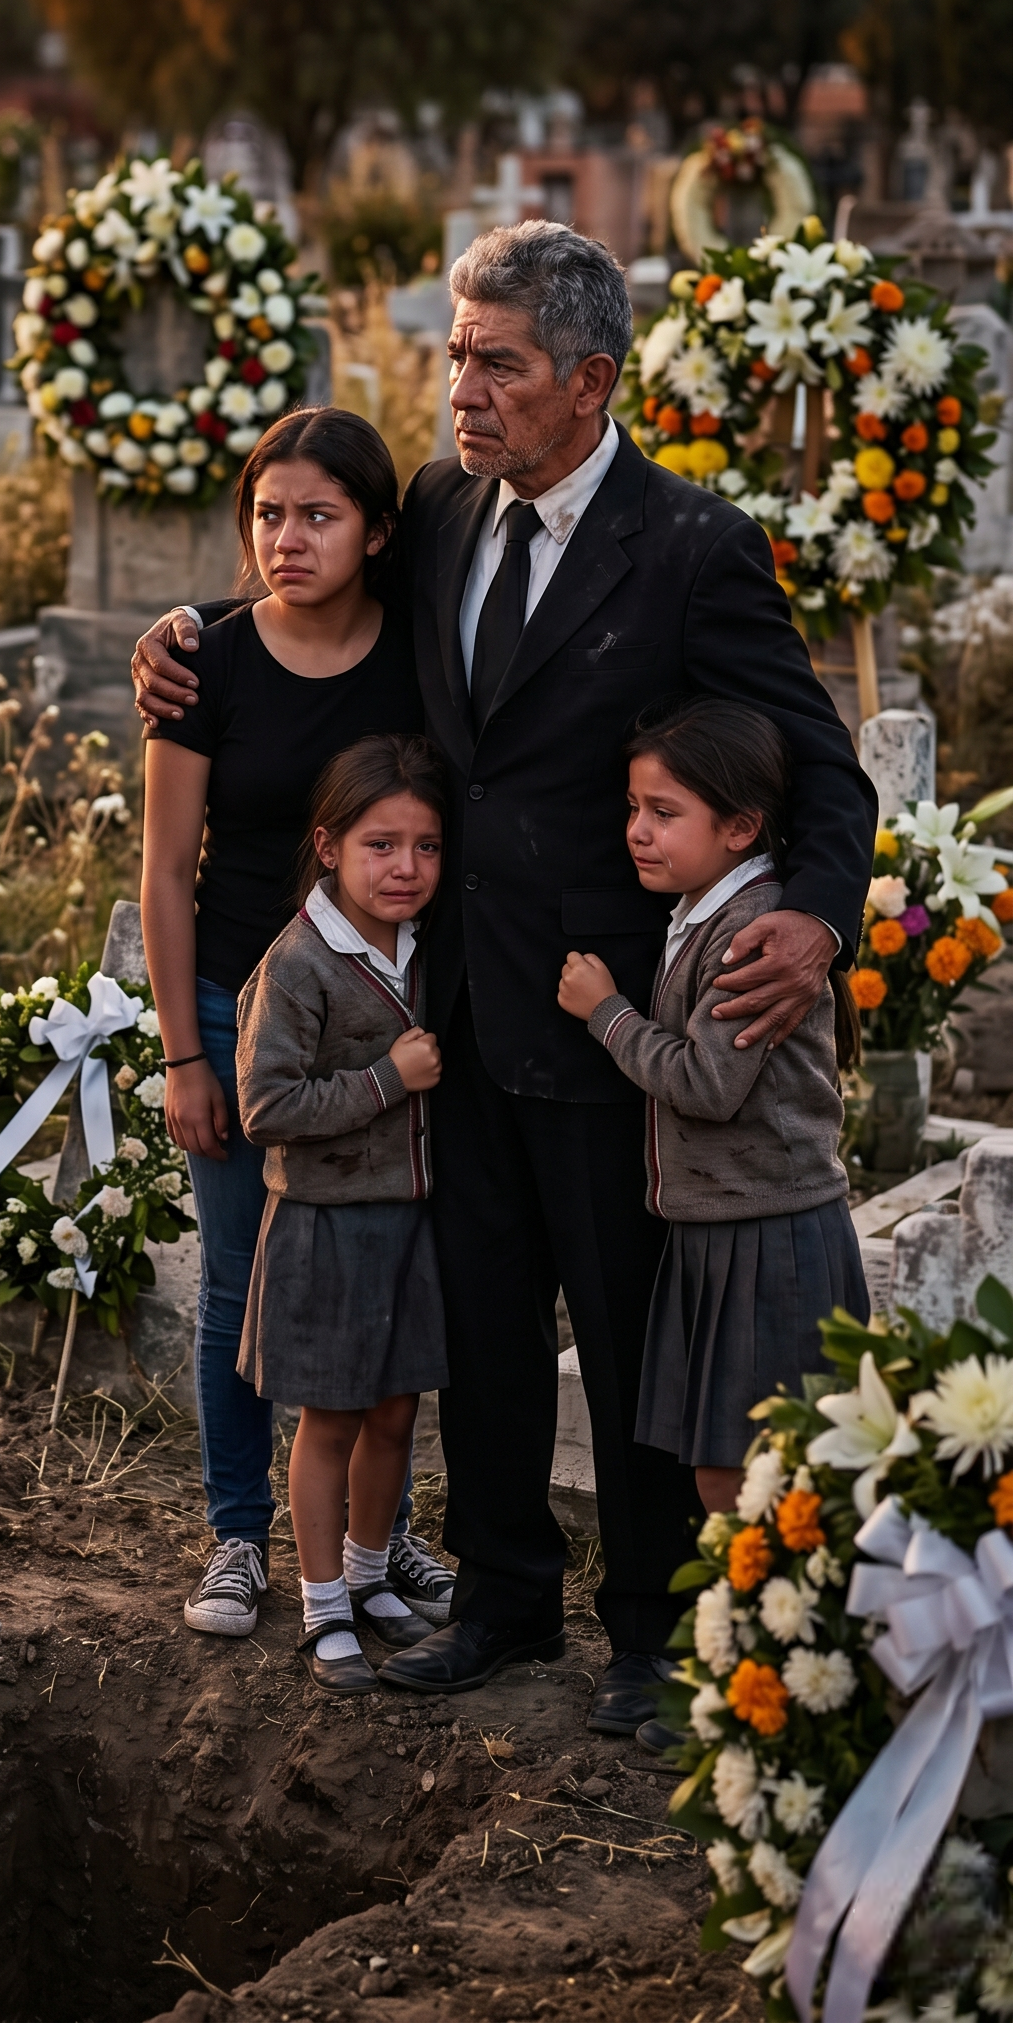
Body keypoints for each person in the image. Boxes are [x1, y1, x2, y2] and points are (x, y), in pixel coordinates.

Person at [133, 219, 875, 1739]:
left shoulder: (690, 550)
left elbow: (818, 761)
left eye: (498, 364)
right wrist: (189, 636)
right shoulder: (445, 511)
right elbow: (313, 596)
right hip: (451, 1001)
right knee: (480, 1326)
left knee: (619, 1324)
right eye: (454, 356)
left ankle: (654, 1635)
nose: (461, 391)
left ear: (591, 380)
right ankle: (505, 1597)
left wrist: (818, 918)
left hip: (608, 1019)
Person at [141, 408, 456, 1641]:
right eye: (267, 514)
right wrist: (182, 1052)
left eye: (319, 515)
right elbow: (168, 871)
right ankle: (236, 1535)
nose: (287, 538)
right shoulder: (205, 662)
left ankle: (383, 1537)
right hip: (240, 1008)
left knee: (384, 1270)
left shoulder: (419, 660)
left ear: (378, 530)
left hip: (391, 1018)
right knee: (239, 1278)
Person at [558, 698, 866, 1538]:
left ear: (740, 827)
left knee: (756, 1472)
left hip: (769, 1231)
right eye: (633, 808)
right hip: (723, 1224)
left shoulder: (747, 933)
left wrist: (607, 1013)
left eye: (664, 813)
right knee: (728, 1467)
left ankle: (778, 1645)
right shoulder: (705, 911)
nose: (638, 832)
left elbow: (707, 1083)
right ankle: (757, 1637)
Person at [234, 735, 451, 1692]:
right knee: (331, 1420)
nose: (406, 868)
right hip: (325, 1223)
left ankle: (370, 1575)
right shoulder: (302, 962)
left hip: (410, 1219)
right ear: (328, 846)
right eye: (381, 845)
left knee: (397, 1412)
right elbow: (266, 1107)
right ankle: (322, 1605)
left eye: (428, 847)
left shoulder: (428, 945)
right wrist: (384, 1081)